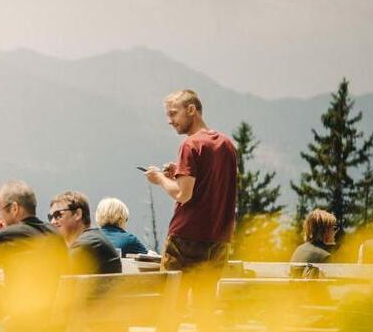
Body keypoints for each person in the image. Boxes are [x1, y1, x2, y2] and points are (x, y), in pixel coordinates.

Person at [144, 90, 237, 315]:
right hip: (218, 240)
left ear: (191, 110)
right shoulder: (227, 145)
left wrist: (161, 179)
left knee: (170, 307)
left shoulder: (190, 145)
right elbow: (211, 183)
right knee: (205, 310)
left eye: (173, 114)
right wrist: (178, 173)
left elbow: (183, 195)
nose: (170, 121)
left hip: (185, 240)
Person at [0, 181, 69, 332]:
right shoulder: (56, 235)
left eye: (1, 211)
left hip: (19, 328)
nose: (0, 217)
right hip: (53, 330)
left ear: (15, 208)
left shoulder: (7, 236)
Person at [49, 191, 121, 275]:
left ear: (78, 214)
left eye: (58, 215)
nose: (53, 221)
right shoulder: (92, 239)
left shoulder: (88, 244)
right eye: (50, 217)